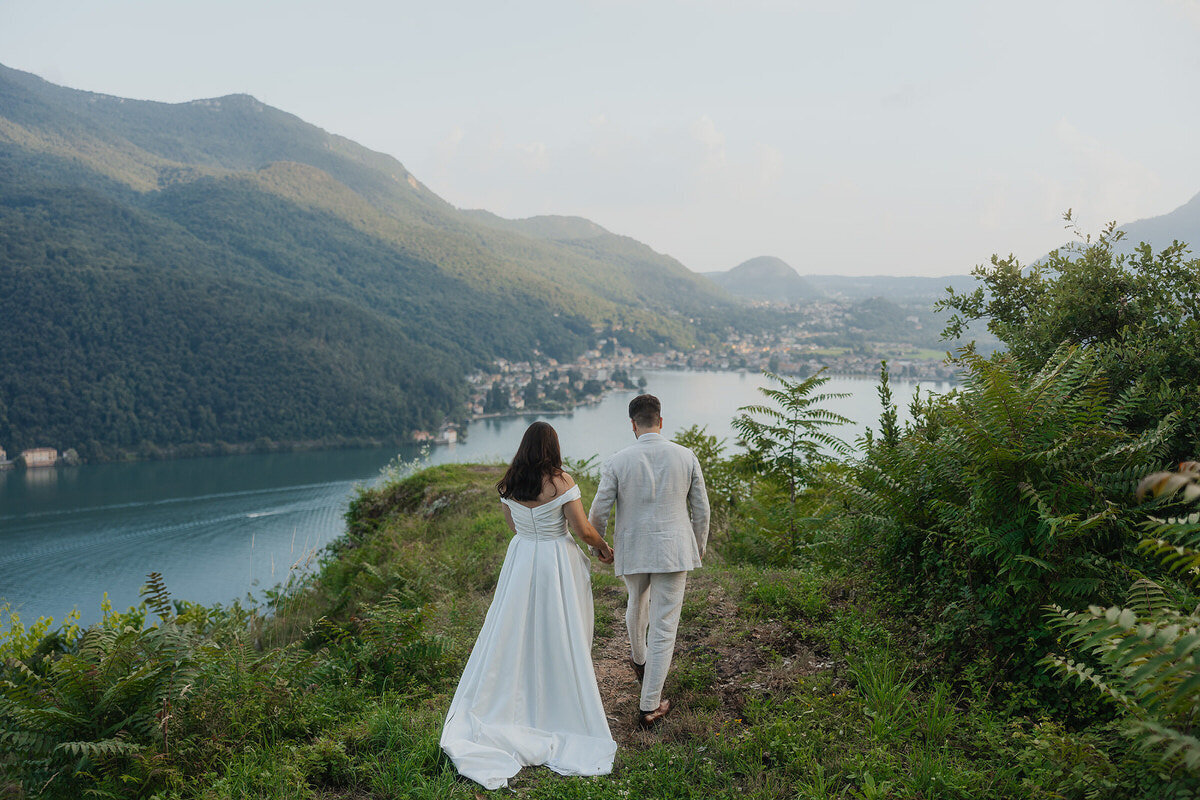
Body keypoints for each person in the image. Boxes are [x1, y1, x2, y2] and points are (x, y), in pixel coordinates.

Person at [440, 421, 617, 790]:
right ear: (552, 447)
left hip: (522, 559)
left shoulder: (509, 484)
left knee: (514, 627)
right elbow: (582, 529)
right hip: (556, 560)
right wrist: (602, 547)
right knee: (560, 625)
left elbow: (514, 528)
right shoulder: (562, 482)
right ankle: (561, 686)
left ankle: (514, 696)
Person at [587, 394, 710, 729]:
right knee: (665, 626)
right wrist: (697, 546)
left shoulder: (618, 460)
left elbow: (598, 511)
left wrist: (598, 547)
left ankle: (639, 659)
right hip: (674, 550)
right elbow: (701, 509)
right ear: (660, 420)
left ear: (633, 424)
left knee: (636, 601)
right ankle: (650, 705)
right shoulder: (686, 456)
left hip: (633, 549)